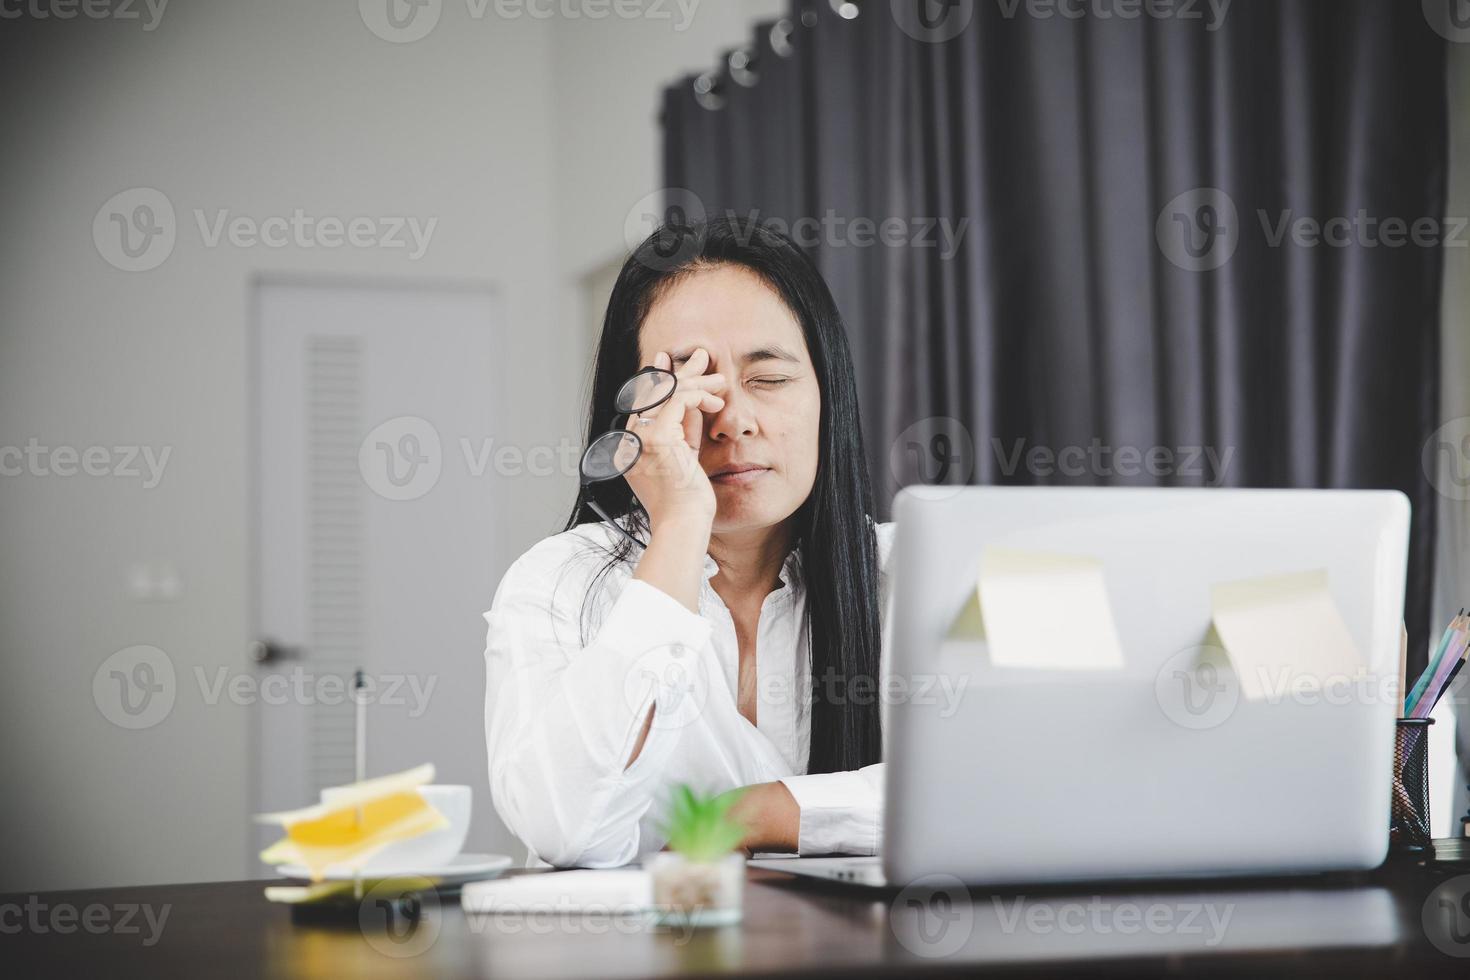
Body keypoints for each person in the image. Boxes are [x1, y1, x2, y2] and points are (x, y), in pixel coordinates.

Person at [482, 216, 892, 867]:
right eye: (689, 386)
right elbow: (568, 829)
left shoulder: (910, 575)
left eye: (770, 378)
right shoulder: (559, 581)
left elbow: (1004, 788)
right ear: (634, 416)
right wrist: (677, 527)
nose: (732, 421)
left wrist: (753, 812)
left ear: (828, 394)